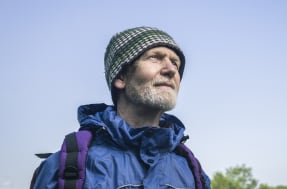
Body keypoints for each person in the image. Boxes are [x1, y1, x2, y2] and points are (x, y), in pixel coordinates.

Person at [31, 26, 211, 189]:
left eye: (176, 63)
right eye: (155, 58)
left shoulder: (193, 174)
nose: (171, 70)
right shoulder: (64, 168)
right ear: (121, 77)